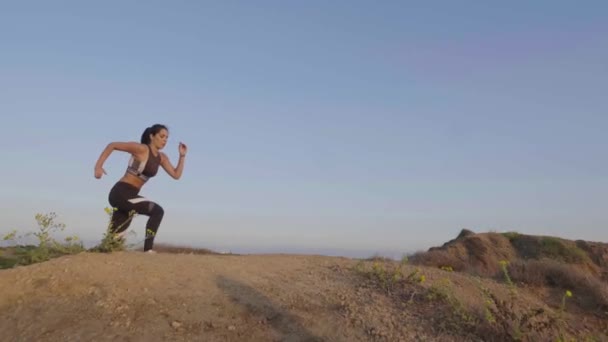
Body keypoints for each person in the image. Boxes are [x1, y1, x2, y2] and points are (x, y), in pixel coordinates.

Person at [93, 124, 187, 253]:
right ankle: (148, 250)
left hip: (130, 198)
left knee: (112, 244)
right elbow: (112, 145)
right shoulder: (141, 149)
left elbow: (176, 175)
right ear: (152, 136)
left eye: (167, 138)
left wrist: (182, 156)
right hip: (121, 193)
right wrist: (98, 167)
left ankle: (89, 256)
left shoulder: (162, 158)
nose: (165, 140)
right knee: (157, 211)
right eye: (162, 136)